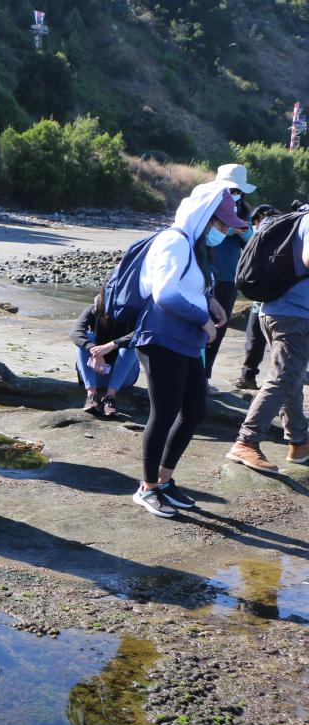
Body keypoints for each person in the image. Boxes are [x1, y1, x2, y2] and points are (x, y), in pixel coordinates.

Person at [131, 183, 246, 518]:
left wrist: (210, 303)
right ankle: (147, 487)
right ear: (204, 218)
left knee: (194, 410)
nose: (224, 230)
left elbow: (190, 285)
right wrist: (203, 319)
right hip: (162, 337)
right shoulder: (173, 241)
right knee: (164, 413)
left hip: (187, 340)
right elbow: (165, 295)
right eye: (221, 224)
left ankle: (164, 480)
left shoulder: (193, 245)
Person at [226, 208, 309, 472]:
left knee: (291, 378)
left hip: (274, 310)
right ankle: (246, 442)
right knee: (284, 378)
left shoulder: (298, 218)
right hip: (294, 315)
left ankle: (300, 442)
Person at [203, 166, 257, 388]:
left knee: (218, 328)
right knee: (196, 326)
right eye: (232, 189)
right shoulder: (206, 205)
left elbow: (252, 243)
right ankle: (191, 376)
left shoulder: (244, 212)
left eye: (238, 190)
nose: (235, 193)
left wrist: (243, 231)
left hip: (227, 278)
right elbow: (202, 238)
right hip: (204, 275)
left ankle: (203, 378)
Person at [69, 290, 139, 417]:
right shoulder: (94, 308)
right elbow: (75, 332)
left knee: (131, 344)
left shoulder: (133, 311)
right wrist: (95, 351)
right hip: (93, 372)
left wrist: (111, 345)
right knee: (86, 337)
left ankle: (110, 398)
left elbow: (141, 333)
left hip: (123, 379)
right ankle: (91, 396)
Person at [235, 204, 280, 390]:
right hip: (265, 299)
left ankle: (254, 377)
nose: (259, 224)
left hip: (269, 299)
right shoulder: (278, 237)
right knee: (255, 338)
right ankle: (249, 376)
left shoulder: (266, 239)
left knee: (257, 338)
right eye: (256, 221)